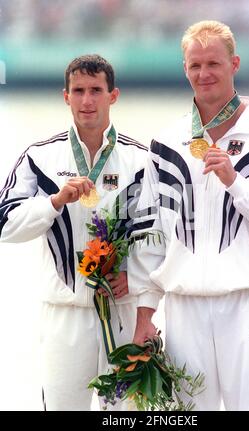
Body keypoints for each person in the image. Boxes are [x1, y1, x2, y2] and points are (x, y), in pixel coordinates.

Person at [127, 20, 249, 411]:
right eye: (195, 65)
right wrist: (144, 314)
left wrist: (235, 181)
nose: (204, 74)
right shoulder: (166, 143)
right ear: (185, 69)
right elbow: (151, 234)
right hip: (184, 309)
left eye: (214, 64)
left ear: (234, 63)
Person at [0, 54, 148, 411]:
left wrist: (137, 277)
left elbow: (161, 234)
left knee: (127, 416)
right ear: (65, 96)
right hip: (64, 314)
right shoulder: (40, 157)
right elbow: (5, 225)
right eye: (78, 90)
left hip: (122, 312)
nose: (87, 100)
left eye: (96, 90)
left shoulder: (142, 159)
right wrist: (53, 202)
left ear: (113, 95)